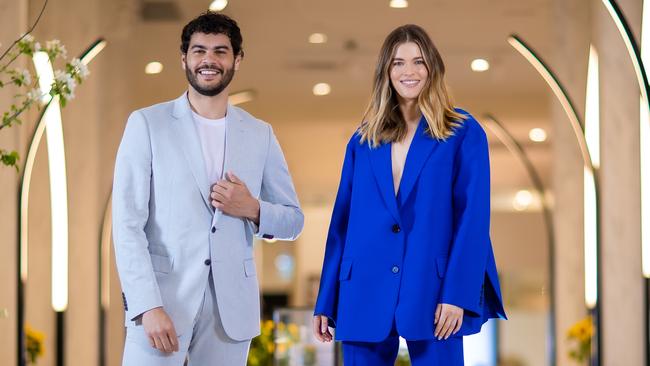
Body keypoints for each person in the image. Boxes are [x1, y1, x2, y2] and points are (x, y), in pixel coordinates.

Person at [112, 11, 303, 366]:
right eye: (199, 51)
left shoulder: (260, 133)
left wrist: (253, 208)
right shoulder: (147, 125)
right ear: (183, 58)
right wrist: (146, 305)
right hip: (162, 304)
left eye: (220, 51)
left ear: (237, 60)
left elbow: (293, 220)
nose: (209, 60)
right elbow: (126, 225)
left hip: (230, 315)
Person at [313, 24, 506, 365]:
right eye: (398, 63)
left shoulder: (461, 132)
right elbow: (341, 224)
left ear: (433, 68)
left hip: (435, 288)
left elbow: (473, 220)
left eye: (418, 61)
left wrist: (458, 294)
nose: (409, 71)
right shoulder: (362, 141)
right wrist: (327, 299)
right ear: (385, 72)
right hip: (364, 287)